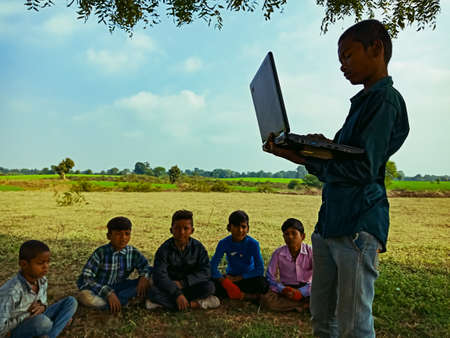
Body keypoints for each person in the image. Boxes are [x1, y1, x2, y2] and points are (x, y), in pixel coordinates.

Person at [264, 19, 409, 337]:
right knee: (323, 320)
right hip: (330, 225)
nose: (342, 66)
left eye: (348, 55)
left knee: (353, 326)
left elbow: (363, 169)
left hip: (356, 227)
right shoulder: (364, 103)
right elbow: (348, 159)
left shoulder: (385, 101)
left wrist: (312, 154)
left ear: (376, 49)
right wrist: (308, 150)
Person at [0, 240, 77, 338]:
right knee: (44, 323)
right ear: (24, 264)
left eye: (48, 262)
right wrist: (26, 315)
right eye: (40, 263)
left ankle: (49, 335)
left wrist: (43, 306)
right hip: (16, 329)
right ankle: (57, 324)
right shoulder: (11, 292)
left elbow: (43, 303)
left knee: (71, 301)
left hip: (38, 317)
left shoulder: (42, 280)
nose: (46, 267)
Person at [146, 210, 219, 311]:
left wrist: (184, 283)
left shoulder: (198, 248)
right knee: (152, 291)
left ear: (192, 230)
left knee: (210, 287)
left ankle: (170, 304)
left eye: (186, 228)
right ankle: (193, 304)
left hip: (190, 286)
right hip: (170, 287)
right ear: (171, 230)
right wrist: (176, 294)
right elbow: (160, 275)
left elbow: (206, 271)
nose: (181, 232)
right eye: (177, 228)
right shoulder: (164, 250)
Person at [76, 216, 152, 313]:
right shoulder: (100, 253)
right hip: (100, 289)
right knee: (85, 296)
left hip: (121, 287)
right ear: (109, 236)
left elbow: (145, 266)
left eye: (127, 234)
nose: (123, 238)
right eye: (118, 234)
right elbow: (86, 277)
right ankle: (124, 301)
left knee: (152, 275)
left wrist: (144, 277)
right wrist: (108, 293)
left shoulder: (132, 252)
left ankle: (119, 301)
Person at [210, 210, 269, 301]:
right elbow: (212, 266)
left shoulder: (253, 244)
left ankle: (240, 295)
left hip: (248, 278)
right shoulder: (224, 243)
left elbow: (259, 269)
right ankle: (246, 295)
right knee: (210, 284)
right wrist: (225, 281)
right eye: (236, 226)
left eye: (243, 226)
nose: (240, 230)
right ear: (229, 227)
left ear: (248, 228)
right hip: (230, 278)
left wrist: (238, 278)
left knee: (263, 284)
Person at [260, 218, 312, 312]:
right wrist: (282, 289)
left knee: (325, 294)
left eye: (294, 233)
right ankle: (304, 305)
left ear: (303, 236)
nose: (290, 237)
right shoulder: (278, 253)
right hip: (287, 289)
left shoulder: (311, 252)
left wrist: (301, 292)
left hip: (307, 289)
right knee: (266, 300)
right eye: (286, 234)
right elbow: (270, 277)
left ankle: (298, 305)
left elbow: (319, 278)